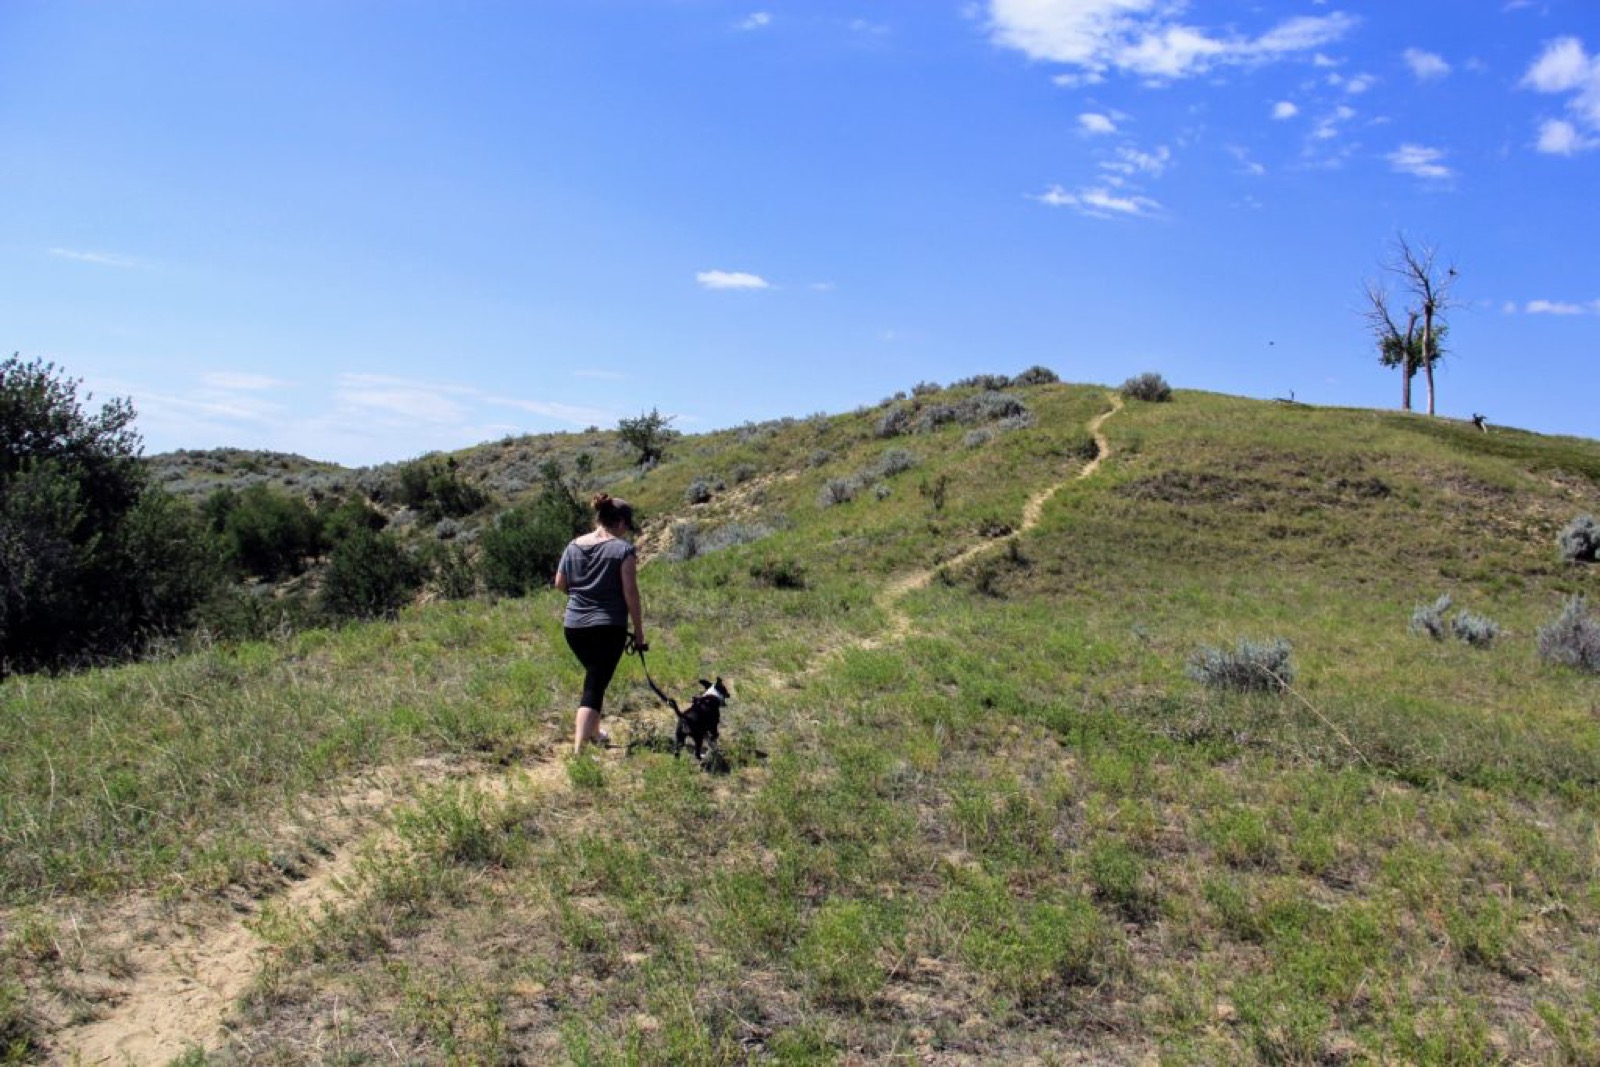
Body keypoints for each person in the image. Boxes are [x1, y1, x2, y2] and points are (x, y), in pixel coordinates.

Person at [555, 493, 646, 754]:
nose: (626, 531)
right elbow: (631, 593)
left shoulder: (573, 546)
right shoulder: (622, 550)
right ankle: (579, 751)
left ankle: (594, 732)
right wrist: (639, 633)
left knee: (596, 678)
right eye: (626, 525)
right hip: (608, 626)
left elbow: (560, 583)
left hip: (574, 627)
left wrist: (583, 595)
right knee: (594, 685)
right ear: (618, 522)